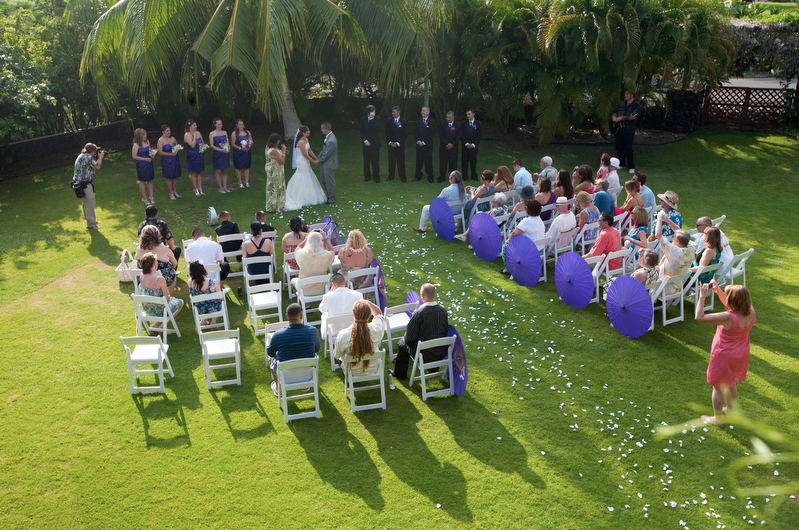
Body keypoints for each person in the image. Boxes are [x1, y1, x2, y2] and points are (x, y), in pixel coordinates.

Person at [695, 282, 756, 427]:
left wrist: (702, 296)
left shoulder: (727, 317)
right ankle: (729, 410)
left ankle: (717, 419)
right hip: (741, 351)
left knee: (717, 386)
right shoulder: (751, 311)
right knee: (730, 382)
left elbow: (699, 317)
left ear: (732, 301)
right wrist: (717, 289)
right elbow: (731, 304)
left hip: (724, 354)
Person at [390, 283, 448, 381]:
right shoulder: (443, 311)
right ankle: (433, 369)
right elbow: (445, 331)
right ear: (435, 293)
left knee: (402, 342)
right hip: (440, 351)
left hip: (423, 354)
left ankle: (400, 374)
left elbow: (409, 338)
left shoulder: (418, 314)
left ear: (422, 296)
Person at [266, 303, 320, 396]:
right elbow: (317, 349)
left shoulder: (278, 334)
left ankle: (279, 388)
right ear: (301, 316)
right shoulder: (313, 331)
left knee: (271, 359)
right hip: (307, 373)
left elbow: (270, 353)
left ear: (287, 316)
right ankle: (304, 385)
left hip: (286, 374)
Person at [336, 300, 387, 377]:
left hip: (352, 371)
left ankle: (347, 377)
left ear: (353, 314)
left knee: (338, 351)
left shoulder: (343, 335)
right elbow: (378, 314)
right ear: (369, 314)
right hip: (373, 368)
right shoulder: (377, 330)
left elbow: (337, 355)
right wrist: (366, 302)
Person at [285, 125, 327, 210]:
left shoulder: (306, 139)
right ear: (303, 133)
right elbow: (304, 154)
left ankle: (309, 195)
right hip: (301, 161)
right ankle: (299, 196)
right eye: (307, 131)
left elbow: (309, 150)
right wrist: (314, 161)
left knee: (308, 176)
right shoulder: (300, 142)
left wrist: (316, 158)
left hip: (306, 161)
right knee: (302, 176)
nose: (309, 132)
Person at [137, 252, 184, 324]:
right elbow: (166, 299)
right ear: (154, 263)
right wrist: (169, 297)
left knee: (165, 302)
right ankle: (162, 327)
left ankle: (155, 326)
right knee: (180, 302)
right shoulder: (160, 279)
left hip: (147, 309)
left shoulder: (142, 275)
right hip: (160, 311)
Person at [500, 199, 545, 275]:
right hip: (539, 251)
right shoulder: (540, 220)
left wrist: (508, 239)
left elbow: (514, 233)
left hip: (528, 251)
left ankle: (508, 270)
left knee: (505, 247)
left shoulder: (527, 221)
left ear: (527, 211)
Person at [654, 214, 695, 296]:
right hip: (676, 288)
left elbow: (658, 236)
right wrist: (668, 220)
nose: (672, 237)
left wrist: (659, 219)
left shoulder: (675, 251)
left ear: (677, 242)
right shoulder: (691, 249)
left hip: (663, 287)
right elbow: (681, 233)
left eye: (673, 237)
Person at [135, 225, 179, 296]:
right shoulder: (164, 249)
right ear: (157, 235)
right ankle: (168, 297)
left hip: (143, 280)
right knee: (173, 273)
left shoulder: (139, 249)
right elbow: (175, 264)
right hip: (163, 280)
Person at [319, 273, 364, 341]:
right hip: (353, 330)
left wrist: (329, 293)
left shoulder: (328, 296)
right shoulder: (358, 295)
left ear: (333, 284)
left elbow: (322, 309)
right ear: (345, 283)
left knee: (324, 315)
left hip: (334, 333)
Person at [72, 143, 105, 230]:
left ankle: (91, 220)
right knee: (89, 203)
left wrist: (98, 159)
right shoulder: (88, 157)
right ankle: (91, 224)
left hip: (80, 183)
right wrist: (100, 157)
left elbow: (91, 168)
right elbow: (97, 167)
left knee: (87, 203)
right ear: (93, 151)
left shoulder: (82, 156)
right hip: (84, 184)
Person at [291, 231, 334, 296]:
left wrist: (307, 238)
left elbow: (297, 249)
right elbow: (332, 252)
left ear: (308, 241)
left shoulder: (301, 254)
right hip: (322, 289)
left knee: (292, 281)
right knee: (332, 277)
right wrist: (325, 238)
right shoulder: (325, 256)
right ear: (321, 242)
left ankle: (306, 304)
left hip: (304, 290)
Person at [611, 90, 643, 173]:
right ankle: (622, 164)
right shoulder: (622, 104)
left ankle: (631, 166)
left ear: (632, 95)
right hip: (619, 129)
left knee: (628, 147)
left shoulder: (636, 106)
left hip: (629, 129)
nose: (625, 95)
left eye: (627, 94)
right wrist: (614, 118)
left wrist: (621, 118)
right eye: (625, 93)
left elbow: (633, 117)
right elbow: (615, 113)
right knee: (619, 146)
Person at [188, 260, 223, 325]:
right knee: (219, 300)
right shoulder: (212, 282)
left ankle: (203, 321)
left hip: (199, 309)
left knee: (201, 301)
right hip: (212, 308)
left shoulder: (190, 282)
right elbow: (220, 298)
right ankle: (213, 322)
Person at [314, 122, 338, 205]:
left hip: (329, 164)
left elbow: (327, 153)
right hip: (326, 163)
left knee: (329, 182)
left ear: (326, 129)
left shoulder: (331, 140)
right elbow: (324, 149)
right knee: (323, 179)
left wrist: (319, 160)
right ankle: (328, 196)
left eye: (322, 128)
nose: (321, 130)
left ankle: (332, 199)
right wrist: (318, 157)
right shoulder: (328, 137)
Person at [157, 125, 182, 200]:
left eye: (169, 130)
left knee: (175, 176)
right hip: (167, 160)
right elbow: (160, 152)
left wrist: (176, 151)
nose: (169, 132)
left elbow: (177, 146)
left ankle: (175, 191)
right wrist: (170, 154)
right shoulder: (161, 140)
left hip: (174, 159)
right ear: (163, 132)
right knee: (169, 176)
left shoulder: (173, 138)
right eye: (167, 131)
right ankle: (170, 193)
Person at [264, 133, 288, 212]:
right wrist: (283, 152)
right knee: (277, 188)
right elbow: (282, 161)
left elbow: (277, 156)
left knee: (272, 187)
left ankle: (273, 205)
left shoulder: (268, 147)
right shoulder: (273, 151)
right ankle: (276, 207)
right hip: (275, 172)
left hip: (272, 170)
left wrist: (283, 152)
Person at [413, 106, 436, 183]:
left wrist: (424, 142)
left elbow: (431, 134)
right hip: (419, 145)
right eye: (421, 110)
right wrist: (418, 141)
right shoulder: (418, 121)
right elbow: (415, 132)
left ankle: (430, 177)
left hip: (427, 146)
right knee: (418, 161)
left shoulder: (432, 122)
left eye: (424, 110)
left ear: (428, 112)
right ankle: (417, 176)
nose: (422, 112)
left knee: (428, 161)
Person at [386, 106, 409, 182]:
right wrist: (390, 142)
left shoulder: (404, 121)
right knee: (391, 161)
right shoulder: (389, 121)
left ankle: (402, 177)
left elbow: (405, 134)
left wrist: (398, 143)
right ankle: (391, 176)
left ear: (398, 112)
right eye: (392, 112)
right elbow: (387, 133)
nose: (393, 113)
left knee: (400, 161)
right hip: (391, 145)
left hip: (400, 145)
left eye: (394, 112)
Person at [132, 128, 155, 205]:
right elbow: (134, 156)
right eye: (144, 134)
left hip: (149, 162)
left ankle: (151, 197)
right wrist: (145, 159)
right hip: (141, 164)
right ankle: (144, 198)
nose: (145, 136)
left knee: (150, 180)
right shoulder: (136, 145)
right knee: (142, 181)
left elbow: (150, 150)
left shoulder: (147, 142)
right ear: (139, 136)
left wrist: (152, 154)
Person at [360, 105, 381, 183]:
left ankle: (376, 177)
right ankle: (367, 176)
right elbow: (361, 131)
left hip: (375, 143)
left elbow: (376, 128)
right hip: (366, 144)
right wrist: (365, 141)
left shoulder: (377, 118)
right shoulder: (363, 119)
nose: (374, 113)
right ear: (368, 112)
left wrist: (372, 119)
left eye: (374, 111)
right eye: (373, 112)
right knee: (366, 161)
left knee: (375, 161)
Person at [438, 111, 461, 183]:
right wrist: (447, 144)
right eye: (447, 117)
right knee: (443, 163)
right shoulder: (442, 124)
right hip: (444, 147)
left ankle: (453, 178)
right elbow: (441, 135)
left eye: (450, 117)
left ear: (453, 117)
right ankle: (442, 177)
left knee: (453, 163)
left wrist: (452, 144)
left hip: (453, 148)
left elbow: (458, 136)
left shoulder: (458, 125)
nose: (448, 119)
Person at [209, 118, 230, 193]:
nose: (219, 126)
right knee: (218, 171)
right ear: (215, 124)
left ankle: (225, 186)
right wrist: (221, 150)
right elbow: (212, 145)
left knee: (225, 171)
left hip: (225, 154)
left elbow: (227, 142)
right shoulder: (212, 134)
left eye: (221, 124)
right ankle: (220, 187)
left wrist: (228, 148)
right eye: (218, 124)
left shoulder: (225, 132)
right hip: (218, 154)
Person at [184, 119, 205, 196]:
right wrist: (195, 136)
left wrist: (203, 148)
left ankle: (200, 188)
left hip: (199, 154)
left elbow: (202, 143)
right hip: (192, 155)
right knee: (194, 173)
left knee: (199, 172)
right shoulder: (187, 135)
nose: (196, 127)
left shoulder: (198, 132)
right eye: (194, 125)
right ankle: (195, 188)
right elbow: (192, 145)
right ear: (189, 126)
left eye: (196, 125)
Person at [231, 118, 253, 188]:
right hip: (238, 152)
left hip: (246, 151)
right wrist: (240, 148)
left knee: (246, 167)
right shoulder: (234, 133)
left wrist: (249, 146)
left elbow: (251, 141)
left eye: (242, 124)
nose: (241, 126)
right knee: (239, 167)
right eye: (239, 124)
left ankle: (246, 181)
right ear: (237, 125)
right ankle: (240, 182)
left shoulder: (247, 132)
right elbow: (233, 144)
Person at [461, 109, 482, 181]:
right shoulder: (463, 123)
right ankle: (465, 175)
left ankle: (473, 175)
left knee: (473, 161)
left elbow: (479, 136)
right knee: (464, 161)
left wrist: (473, 144)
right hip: (465, 146)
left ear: (473, 114)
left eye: (469, 114)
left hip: (473, 147)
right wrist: (466, 143)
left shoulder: (478, 124)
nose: (468, 116)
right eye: (467, 114)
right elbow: (462, 135)